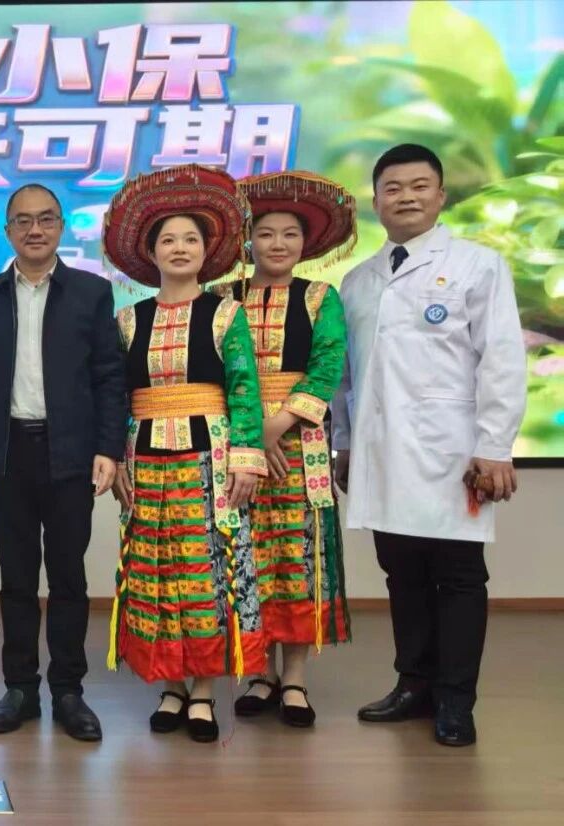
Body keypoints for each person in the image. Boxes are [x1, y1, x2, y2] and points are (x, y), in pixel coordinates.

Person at [332, 144, 527, 747]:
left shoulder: (478, 266)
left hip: (454, 455)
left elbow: (501, 359)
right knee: (402, 573)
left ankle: (455, 701)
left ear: (441, 196)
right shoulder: (357, 281)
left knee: (459, 576)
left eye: (420, 186)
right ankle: (413, 684)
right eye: (393, 188)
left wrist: (495, 446)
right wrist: (344, 444)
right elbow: (345, 376)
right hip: (382, 454)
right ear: (376, 201)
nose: (407, 197)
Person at [104, 164, 267, 744]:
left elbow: (244, 388)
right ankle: (169, 685)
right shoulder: (129, 320)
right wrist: (116, 461)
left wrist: (246, 457)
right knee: (155, 569)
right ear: (151, 253)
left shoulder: (227, 314)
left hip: (210, 460)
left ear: (206, 251)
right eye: (168, 240)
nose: (179, 248)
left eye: (190, 239)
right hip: (145, 460)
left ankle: (202, 691)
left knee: (208, 570)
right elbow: (117, 395)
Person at [0, 184, 124, 741]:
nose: (35, 229)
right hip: (7, 453)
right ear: (7, 231)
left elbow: (109, 377)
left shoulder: (92, 293)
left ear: (61, 228)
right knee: (16, 578)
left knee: (69, 576)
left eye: (46, 219)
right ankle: (20, 689)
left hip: (70, 452)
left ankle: (69, 691)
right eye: (23, 221)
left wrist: (108, 449)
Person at [228, 172, 356, 728]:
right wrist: (252, 435)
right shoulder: (223, 298)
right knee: (248, 554)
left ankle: (296, 678)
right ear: (247, 242)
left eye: (290, 234)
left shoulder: (321, 298)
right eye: (266, 233)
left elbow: (328, 367)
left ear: (306, 243)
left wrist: (275, 428)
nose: (278, 244)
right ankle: (261, 673)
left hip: (301, 443)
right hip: (238, 441)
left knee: (297, 558)